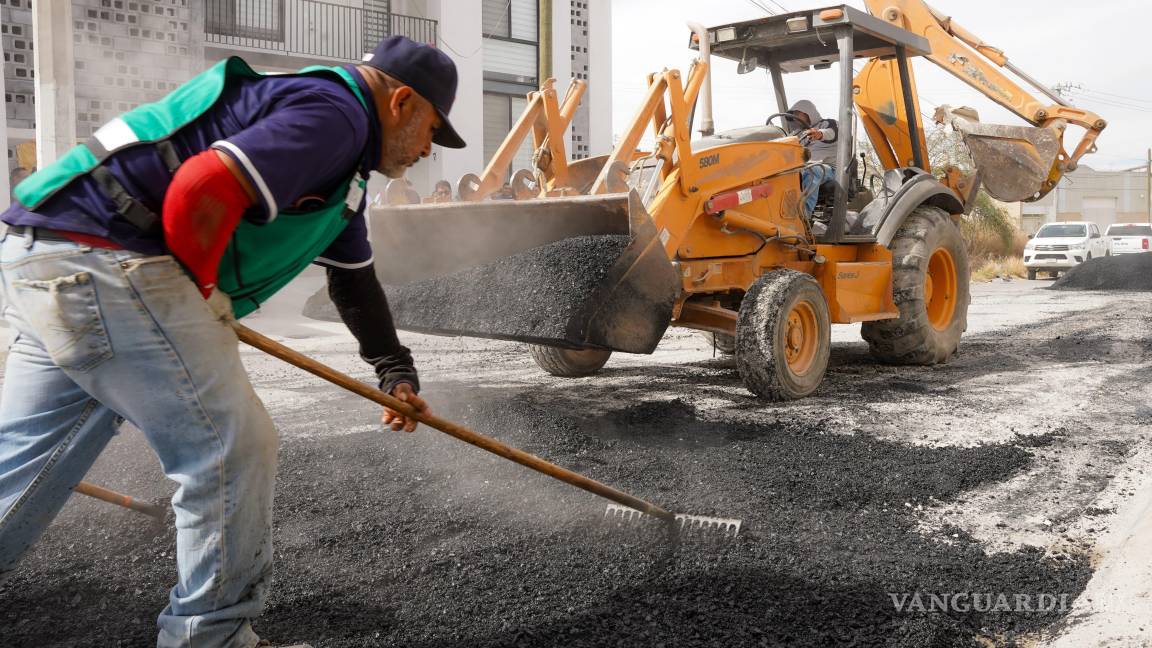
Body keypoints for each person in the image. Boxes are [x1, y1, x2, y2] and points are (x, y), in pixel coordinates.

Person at [0, 36, 465, 648]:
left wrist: (394, 373)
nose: (430, 149)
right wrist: (203, 296)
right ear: (402, 101)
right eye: (433, 129)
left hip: (50, 255)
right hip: (112, 258)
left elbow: (354, 282)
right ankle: (211, 638)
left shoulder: (343, 174)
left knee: (31, 457)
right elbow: (202, 185)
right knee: (230, 448)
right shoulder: (337, 114)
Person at [781, 99, 838, 217]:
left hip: (829, 169)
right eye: (793, 116)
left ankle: (803, 216)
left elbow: (831, 133)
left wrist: (819, 134)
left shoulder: (829, 124)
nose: (795, 118)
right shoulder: (798, 133)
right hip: (804, 166)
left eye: (797, 114)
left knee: (811, 170)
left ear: (807, 112)